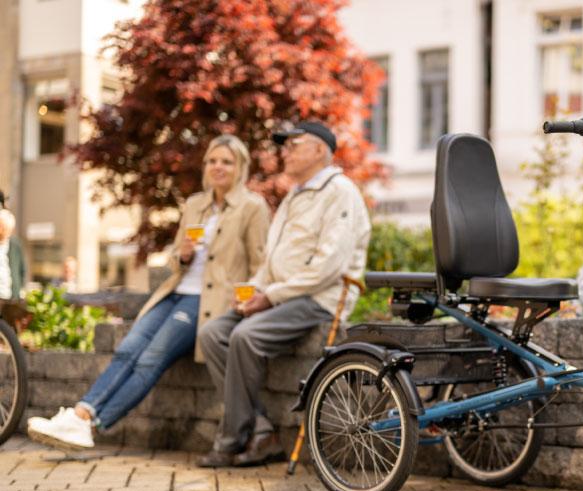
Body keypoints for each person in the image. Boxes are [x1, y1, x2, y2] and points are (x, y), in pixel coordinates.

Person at [28, 135, 270, 450]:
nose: (218, 167)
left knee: (151, 358)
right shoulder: (196, 203)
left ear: (240, 167)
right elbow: (172, 259)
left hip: (209, 303)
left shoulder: (252, 207)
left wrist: (247, 302)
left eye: (226, 161)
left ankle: (92, 424)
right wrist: (182, 255)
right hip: (174, 292)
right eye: (212, 160)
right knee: (129, 348)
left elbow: (260, 262)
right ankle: (81, 414)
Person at [195, 121, 371, 468]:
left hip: (319, 300)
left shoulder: (340, 192)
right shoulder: (294, 194)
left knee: (245, 336)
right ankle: (261, 430)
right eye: (284, 146)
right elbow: (273, 258)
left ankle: (231, 440)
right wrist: (255, 289)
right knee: (213, 334)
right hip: (280, 296)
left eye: (294, 145)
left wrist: (270, 296)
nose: (284, 152)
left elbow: (327, 268)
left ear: (320, 150)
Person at [0, 206, 25, 301]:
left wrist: (20, 289)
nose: (4, 232)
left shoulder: (15, 244)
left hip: (11, 297)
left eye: (7, 230)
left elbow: (23, 269)